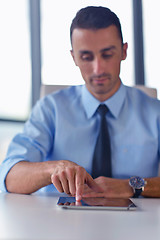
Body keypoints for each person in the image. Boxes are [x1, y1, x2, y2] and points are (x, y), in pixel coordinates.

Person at [0, 6, 160, 201]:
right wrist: (53, 169)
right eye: (86, 57)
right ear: (74, 57)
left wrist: (131, 185)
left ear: (124, 51)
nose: (98, 69)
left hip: (137, 225)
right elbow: (9, 176)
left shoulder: (154, 113)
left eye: (107, 54)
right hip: (58, 224)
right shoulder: (51, 109)